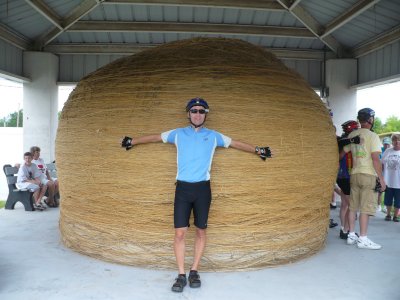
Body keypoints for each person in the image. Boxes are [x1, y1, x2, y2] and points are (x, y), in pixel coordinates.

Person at [120, 97, 273, 292]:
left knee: (201, 231)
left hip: (203, 190)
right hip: (183, 189)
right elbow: (154, 137)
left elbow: (235, 143)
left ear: (206, 114)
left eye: (202, 111)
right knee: (180, 233)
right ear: (188, 113)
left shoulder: (214, 136)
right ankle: (181, 275)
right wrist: (132, 141)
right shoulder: (177, 134)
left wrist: (258, 150)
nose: (198, 114)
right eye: (194, 111)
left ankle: (194, 271)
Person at [341, 108, 386, 250]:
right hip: (368, 175)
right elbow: (375, 159)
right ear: (371, 119)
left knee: (353, 206)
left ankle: (351, 235)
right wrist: (382, 179)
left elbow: (342, 153)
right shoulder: (372, 136)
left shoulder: (353, 134)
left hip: (355, 174)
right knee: (365, 208)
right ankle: (363, 238)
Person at [336, 120, 360, 239]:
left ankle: (343, 228)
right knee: (351, 206)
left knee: (345, 204)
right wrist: (352, 141)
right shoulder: (344, 141)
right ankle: (347, 231)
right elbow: (340, 149)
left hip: (343, 177)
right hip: (345, 177)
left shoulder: (344, 140)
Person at [381, 133, 400, 222]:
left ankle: (396, 216)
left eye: (398, 140)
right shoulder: (388, 151)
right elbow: (381, 164)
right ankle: (388, 214)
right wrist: (380, 176)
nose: (397, 141)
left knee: (398, 200)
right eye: (395, 140)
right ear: (392, 141)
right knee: (388, 199)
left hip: (398, 181)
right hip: (388, 180)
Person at [377, 137, 392, 212]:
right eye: (385, 144)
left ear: (390, 144)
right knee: (380, 190)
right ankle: (378, 205)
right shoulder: (380, 150)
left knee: (388, 191)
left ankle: (386, 207)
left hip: (389, 174)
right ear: (383, 143)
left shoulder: (391, 151)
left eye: (388, 144)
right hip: (381, 173)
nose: (386, 145)